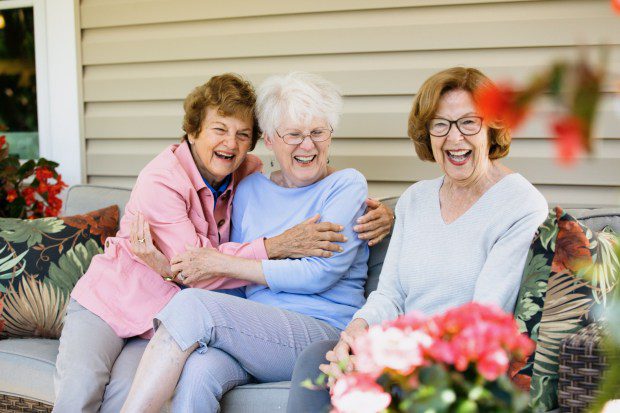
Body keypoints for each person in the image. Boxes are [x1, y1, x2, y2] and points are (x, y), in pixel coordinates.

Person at [53, 73, 392, 413]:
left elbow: (317, 272)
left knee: (189, 312)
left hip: (316, 329)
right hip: (121, 300)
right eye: (294, 134)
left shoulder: (339, 185)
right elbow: (201, 268)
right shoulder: (218, 185)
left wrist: (388, 214)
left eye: (318, 132)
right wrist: (272, 247)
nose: (308, 145)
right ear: (272, 140)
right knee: (191, 371)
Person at [286, 66, 549, 412]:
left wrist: (393, 356)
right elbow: (391, 294)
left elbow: (485, 317)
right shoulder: (416, 200)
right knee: (317, 360)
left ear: (491, 127)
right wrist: (357, 331)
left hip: (458, 367)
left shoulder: (519, 205)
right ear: (427, 134)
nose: (454, 138)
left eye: (469, 122)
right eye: (440, 125)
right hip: (399, 351)